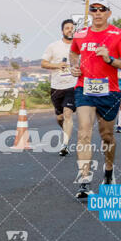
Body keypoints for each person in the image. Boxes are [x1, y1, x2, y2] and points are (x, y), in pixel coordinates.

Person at [69, 0, 121, 199]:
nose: (97, 13)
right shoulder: (80, 34)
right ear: (90, 12)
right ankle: (84, 181)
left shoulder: (118, 35)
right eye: (94, 9)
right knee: (84, 133)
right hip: (84, 89)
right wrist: (74, 66)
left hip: (110, 92)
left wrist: (110, 59)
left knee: (106, 136)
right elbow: (73, 53)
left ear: (108, 13)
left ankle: (108, 170)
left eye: (102, 9)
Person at [41, 19, 77, 156]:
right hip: (56, 86)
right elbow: (43, 63)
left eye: (72, 28)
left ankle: (65, 144)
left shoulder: (78, 47)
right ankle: (65, 132)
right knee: (60, 118)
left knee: (68, 113)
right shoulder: (53, 46)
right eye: (67, 28)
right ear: (62, 31)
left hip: (72, 85)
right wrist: (57, 66)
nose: (70, 30)